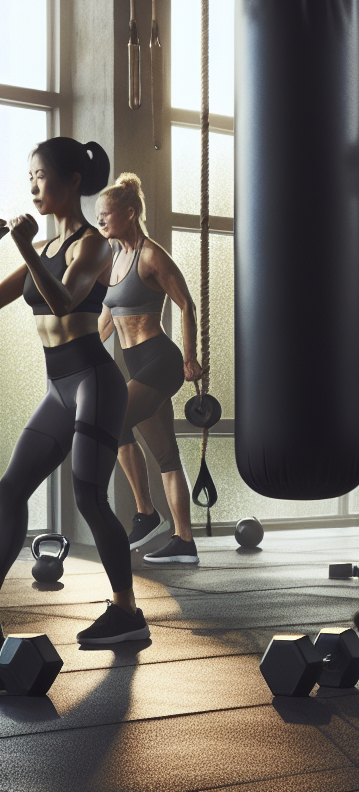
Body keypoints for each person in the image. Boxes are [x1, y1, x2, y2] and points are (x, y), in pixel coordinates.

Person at [0, 137, 149, 644]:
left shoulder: (93, 244)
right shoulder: (42, 248)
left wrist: (22, 246)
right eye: (30, 178)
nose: (34, 186)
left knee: (88, 495)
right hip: (58, 388)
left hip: (94, 381)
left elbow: (64, 300)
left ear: (73, 182)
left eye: (41, 175)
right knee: (9, 490)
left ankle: (128, 614)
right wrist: (22, 248)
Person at [96, 173, 202, 565]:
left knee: (114, 421)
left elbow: (186, 304)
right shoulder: (114, 257)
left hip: (160, 360)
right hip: (137, 363)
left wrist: (190, 357)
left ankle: (146, 513)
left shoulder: (151, 255)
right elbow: (108, 318)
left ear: (129, 212)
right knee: (167, 456)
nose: (101, 222)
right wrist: (82, 352)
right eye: (98, 216)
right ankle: (185, 541)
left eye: (106, 215)